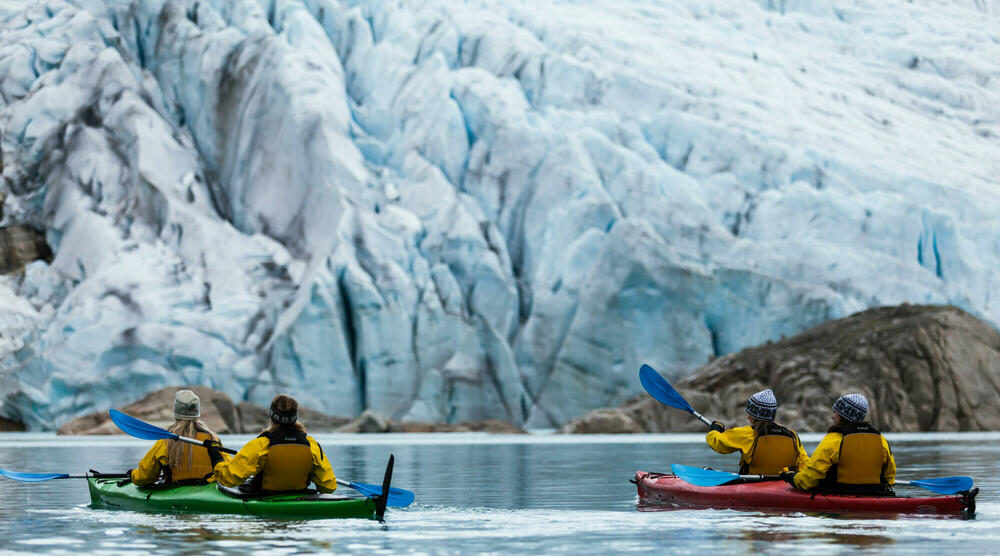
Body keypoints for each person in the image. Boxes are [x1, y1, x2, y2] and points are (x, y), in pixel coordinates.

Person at [203, 394, 337, 493]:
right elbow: (329, 487)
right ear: (295, 417)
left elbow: (227, 479)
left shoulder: (260, 445)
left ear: (272, 416)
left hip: (265, 498)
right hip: (299, 496)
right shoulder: (311, 445)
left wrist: (216, 456)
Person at [782, 393, 896, 494]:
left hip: (839, 493)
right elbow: (890, 477)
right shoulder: (881, 440)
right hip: (875, 492)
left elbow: (807, 481)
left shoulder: (833, 440)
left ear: (843, 416)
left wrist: (792, 477)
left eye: (835, 412)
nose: (832, 416)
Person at [128, 390, 228, 486]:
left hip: (175, 489)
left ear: (176, 412)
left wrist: (133, 474)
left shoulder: (166, 441)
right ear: (196, 412)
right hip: (208, 489)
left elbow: (145, 477)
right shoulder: (213, 439)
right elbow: (227, 470)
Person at [705, 389, 808, 475]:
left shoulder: (747, 434)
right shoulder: (792, 435)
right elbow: (804, 464)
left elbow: (717, 443)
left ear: (753, 414)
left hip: (751, 484)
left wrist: (715, 429)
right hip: (783, 484)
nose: (747, 416)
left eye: (749, 412)